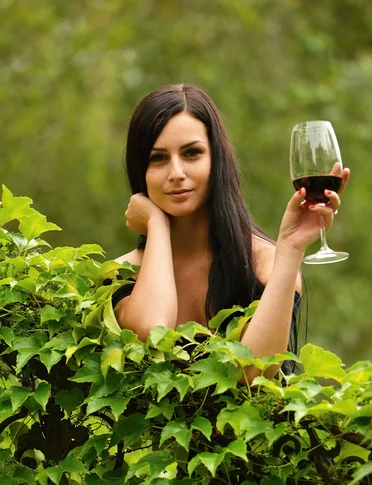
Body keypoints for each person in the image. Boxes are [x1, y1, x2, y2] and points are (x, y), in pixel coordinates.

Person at [113, 83, 349, 382]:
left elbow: (252, 370)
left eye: (192, 153)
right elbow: (150, 332)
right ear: (140, 170)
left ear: (217, 161)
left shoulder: (263, 263)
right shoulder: (121, 275)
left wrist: (290, 248)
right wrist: (156, 225)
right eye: (157, 158)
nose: (176, 173)